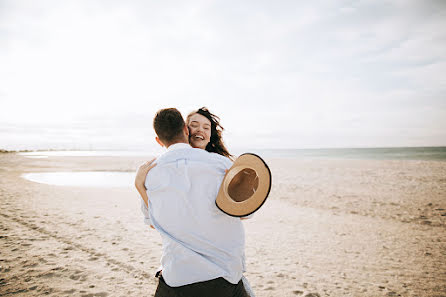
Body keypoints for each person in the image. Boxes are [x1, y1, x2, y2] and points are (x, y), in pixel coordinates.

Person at [136, 108, 249, 297]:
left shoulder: (150, 173)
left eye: (206, 127)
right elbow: (247, 211)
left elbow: (154, 223)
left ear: (158, 140)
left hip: (179, 276)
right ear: (186, 130)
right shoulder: (223, 166)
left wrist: (140, 186)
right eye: (194, 125)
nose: (200, 131)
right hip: (224, 273)